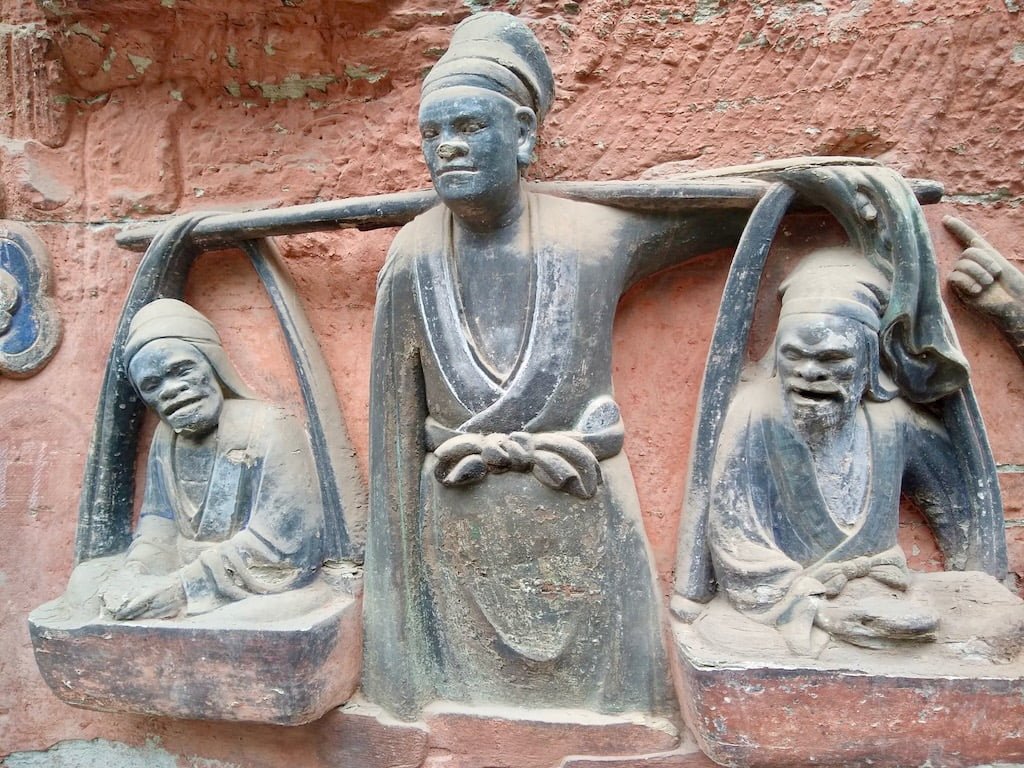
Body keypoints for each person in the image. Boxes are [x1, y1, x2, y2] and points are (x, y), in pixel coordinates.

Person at [364, 12, 749, 720]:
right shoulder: (412, 259)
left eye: (469, 128)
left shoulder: (592, 237)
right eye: (431, 134)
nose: (446, 148)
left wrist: (818, 186)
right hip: (457, 524)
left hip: (583, 506)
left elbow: (731, 214)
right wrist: (394, 636)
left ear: (522, 133)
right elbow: (391, 437)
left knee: (623, 714)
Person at [707, 248, 986, 655]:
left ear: (868, 359)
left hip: (882, 595)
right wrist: (815, 608)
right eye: (794, 355)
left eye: (833, 357)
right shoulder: (753, 413)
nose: (810, 372)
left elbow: (963, 516)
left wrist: (972, 579)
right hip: (789, 603)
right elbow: (735, 542)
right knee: (732, 640)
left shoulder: (894, 423)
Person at [98, 298, 324, 620]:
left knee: (234, 622)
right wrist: (137, 571)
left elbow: (287, 545)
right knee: (86, 584)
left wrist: (181, 589)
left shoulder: (269, 426)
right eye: (151, 385)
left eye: (181, 370)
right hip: (183, 573)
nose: (171, 389)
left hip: (255, 582)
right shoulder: (165, 439)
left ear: (213, 364)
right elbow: (158, 522)